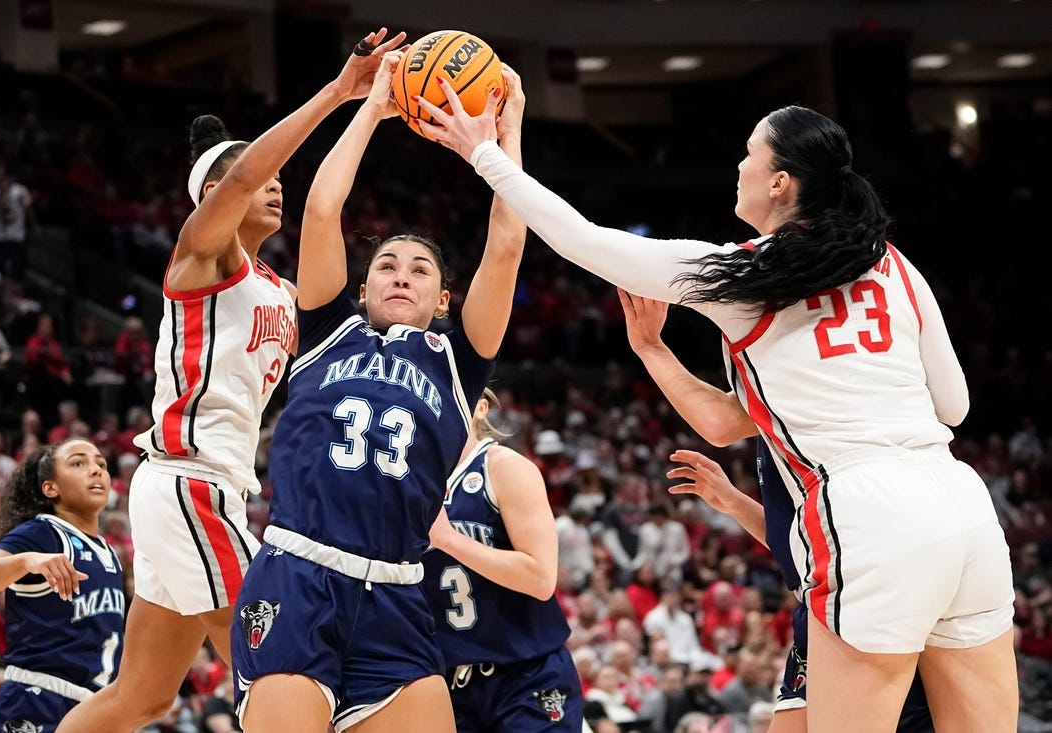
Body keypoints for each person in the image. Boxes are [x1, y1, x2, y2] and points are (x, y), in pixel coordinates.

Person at [419, 95, 1017, 731]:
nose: (738, 166)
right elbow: (954, 405)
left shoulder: (745, 274)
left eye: (749, 155)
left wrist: (482, 151)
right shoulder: (895, 264)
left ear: (780, 182)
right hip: (962, 507)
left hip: (868, 513)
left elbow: (584, 241)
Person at [54, 27, 408, 733]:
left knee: (143, 697)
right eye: (259, 174)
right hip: (189, 482)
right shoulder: (202, 258)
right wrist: (341, 92)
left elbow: (322, 218)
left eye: (279, 175)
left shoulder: (278, 289)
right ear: (212, 192)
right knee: (275, 663)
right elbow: (246, 175)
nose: (275, 182)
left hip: (206, 491)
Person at [227, 55, 527, 733]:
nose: (400, 274)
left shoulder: (459, 363)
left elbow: (505, 245)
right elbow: (323, 207)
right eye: (385, 264)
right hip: (299, 575)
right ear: (360, 290)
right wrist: (374, 106)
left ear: (442, 298)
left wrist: (507, 128)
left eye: (419, 268)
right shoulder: (328, 331)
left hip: (395, 590)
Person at [619, 290, 937, 733]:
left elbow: (719, 422)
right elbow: (802, 541)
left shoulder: (809, 394)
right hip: (823, 604)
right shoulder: (776, 427)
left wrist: (651, 347)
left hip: (870, 602)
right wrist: (732, 502)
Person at [422, 388, 583, 732]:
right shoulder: (410, 482)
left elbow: (540, 578)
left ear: (480, 409)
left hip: (525, 675)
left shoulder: (505, 468)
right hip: (447, 684)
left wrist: (449, 540)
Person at [0, 439, 124, 733]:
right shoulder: (43, 532)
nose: (96, 470)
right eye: (78, 463)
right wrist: (26, 562)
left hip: (92, 710)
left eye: (101, 464)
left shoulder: (110, 553)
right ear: (51, 488)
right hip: (34, 701)